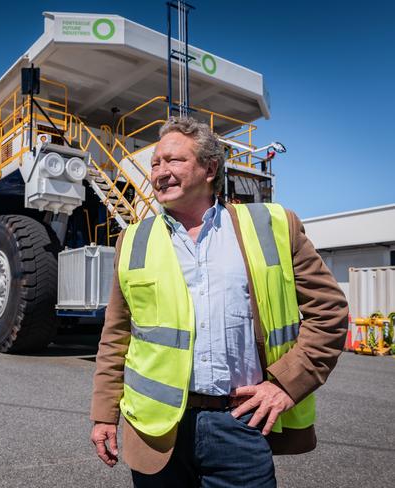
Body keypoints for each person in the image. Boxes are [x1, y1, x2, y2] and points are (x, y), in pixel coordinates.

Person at [90, 116, 348, 487]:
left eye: (174, 160)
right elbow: (116, 337)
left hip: (240, 425)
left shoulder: (272, 226)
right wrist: (103, 414)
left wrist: (286, 385)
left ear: (210, 168)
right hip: (156, 431)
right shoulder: (133, 241)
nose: (160, 171)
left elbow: (330, 313)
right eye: (156, 162)